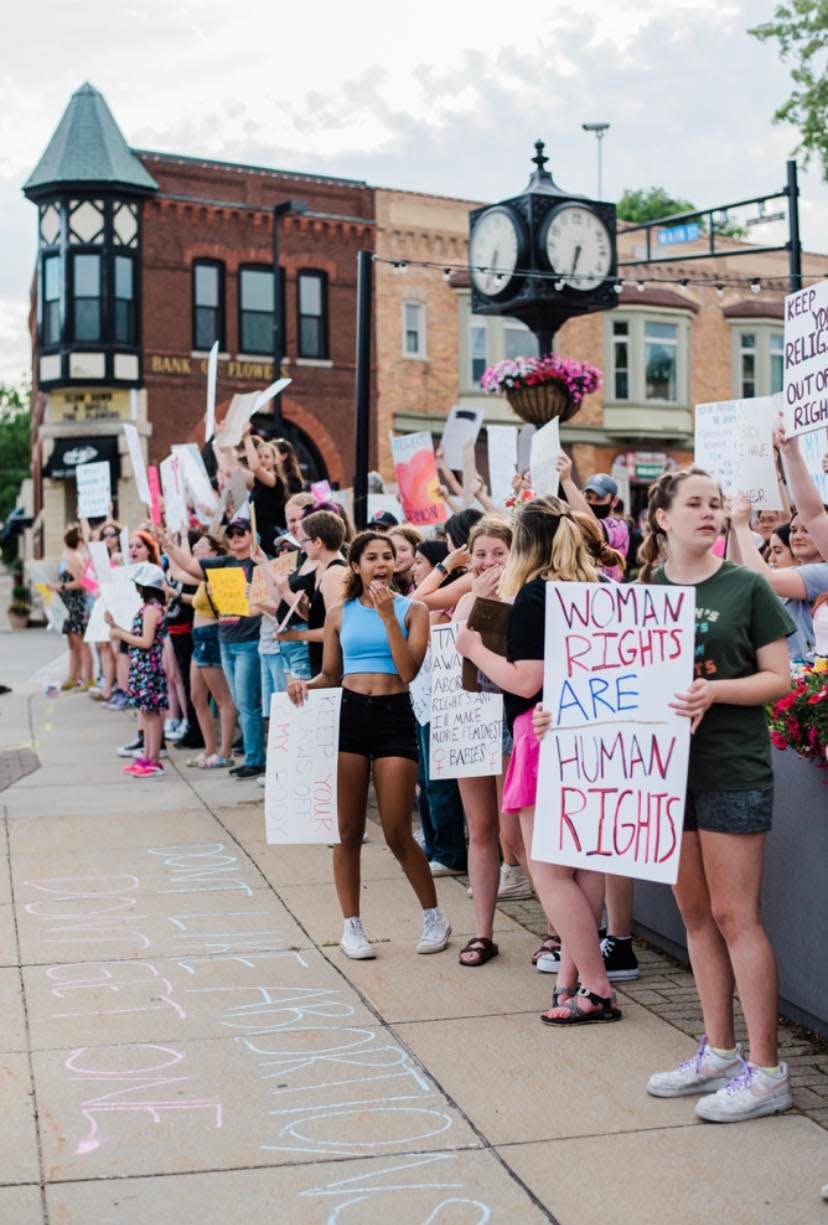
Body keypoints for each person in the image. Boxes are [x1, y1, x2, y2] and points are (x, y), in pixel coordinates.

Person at [637, 468, 794, 1122]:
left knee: (737, 917)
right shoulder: (643, 590)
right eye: (693, 503)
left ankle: (767, 1069)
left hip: (731, 766)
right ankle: (719, 1050)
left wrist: (714, 691)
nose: (707, 511)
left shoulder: (747, 586)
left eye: (713, 503)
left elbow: (779, 678)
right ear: (663, 518)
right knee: (693, 914)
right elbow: (618, 677)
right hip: (664, 773)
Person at [458, 497, 620, 1022]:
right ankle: (572, 980)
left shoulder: (535, 596)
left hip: (542, 734)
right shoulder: (599, 589)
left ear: (525, 543)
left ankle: (595, 987)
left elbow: (527, 680)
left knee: (551, 874)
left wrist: (474, 648)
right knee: (588, 864)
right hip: (596, 737)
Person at [287, 530, 451, 960]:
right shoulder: (338, 614)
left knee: (397, 829)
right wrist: (303, 685)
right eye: (372, 557)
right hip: (350, 714)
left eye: (389, 556)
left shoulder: (412, 609)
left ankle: (434, 916)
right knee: (347, 831)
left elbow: (408, 670)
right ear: (356, 565)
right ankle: (352, 926)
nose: (382, 563)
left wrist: (387, 618)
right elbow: (330, 673)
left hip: (395, 713)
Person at [450, 515, 522, 966]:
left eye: (498, 553)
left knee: (514, 831)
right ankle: (482, 932)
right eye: (480, 554)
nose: (489, 562)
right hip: (470, 720)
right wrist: (474, 596)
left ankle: (555, 933)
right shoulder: (464, 598)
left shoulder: (522, 598)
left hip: (510, 720)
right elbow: (453, 642)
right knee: (480, 829)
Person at [166, 518, 265, 778]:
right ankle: (249, 756)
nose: (235, 536)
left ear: (251, 534)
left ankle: (254, 758)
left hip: (248, 641)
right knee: (239, 702)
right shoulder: (225, 563)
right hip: (225, 639)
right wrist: (167, 543)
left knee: (246, 703)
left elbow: (268, 597)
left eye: (240, 532)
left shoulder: (259, 564)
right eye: (230, 533)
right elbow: (187, 565)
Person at [730, 499, 828, 665]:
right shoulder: (791, 574)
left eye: (807, 530)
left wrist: (741, 525)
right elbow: (737, 577)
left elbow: (763, 579)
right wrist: (734, 528)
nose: (797, 536)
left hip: (814, 677)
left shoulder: (823, 572)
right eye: (793, 530)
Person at [173, 533, 237, 769]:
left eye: (201, 545)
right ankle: (209, 749)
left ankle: (224, 752)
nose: (196, 549)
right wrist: (172, 541)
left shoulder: (218, 575)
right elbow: (178, 572)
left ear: (214, 553)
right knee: (197, 696)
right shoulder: (203, 577)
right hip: (199, 637)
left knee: (222, 699)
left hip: (211, 636)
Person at [107, 562, 169, 779]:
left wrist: (120, 634)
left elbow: (145, 641)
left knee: (151, 714)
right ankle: (147, 757)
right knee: (146, 713)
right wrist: (116, 628)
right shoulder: (149, 608)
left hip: (149, 668)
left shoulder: (152, 609)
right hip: (143, 667)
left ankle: (154, 760)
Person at [276, 510, 348, 676]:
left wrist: (295, 635)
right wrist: (305, 608)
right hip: (323, 662)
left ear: (317, 542)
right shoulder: (328, 571)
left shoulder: (333, 574)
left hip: (332, 667)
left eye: (304, 541)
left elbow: (336, 631)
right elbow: (324, 620)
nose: (302, 547)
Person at [50, 524, 93, 691]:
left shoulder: (74, 557)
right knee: (72, 644)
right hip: (68, 605)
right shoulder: (68, 556)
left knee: (81, 643)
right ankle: (74, 676)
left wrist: (60, 587)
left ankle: (87, 678)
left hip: (76, 605)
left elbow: (81, 582)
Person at [388, 525, 423, 595]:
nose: (395, 555)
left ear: (417, 550)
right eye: (391, 549)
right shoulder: (381, 582)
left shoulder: (426, 581)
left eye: (403, 549)